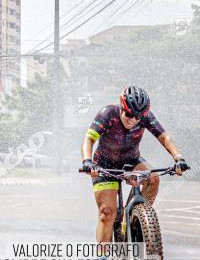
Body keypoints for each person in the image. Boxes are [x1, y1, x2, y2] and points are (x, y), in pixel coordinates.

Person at [81, 86, 189, 245]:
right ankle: (102, 259)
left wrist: (178, 158)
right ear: (121, 107)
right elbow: (89, 139)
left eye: (138, 116)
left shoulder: (145, 117)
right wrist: (87, 161)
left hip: (130, 160)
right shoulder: (108, 113)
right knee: (107, 213)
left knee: (153, 178)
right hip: (104, 165)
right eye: (129, 114)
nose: (132, 119)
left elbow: (164, 137)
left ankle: (135, 216)